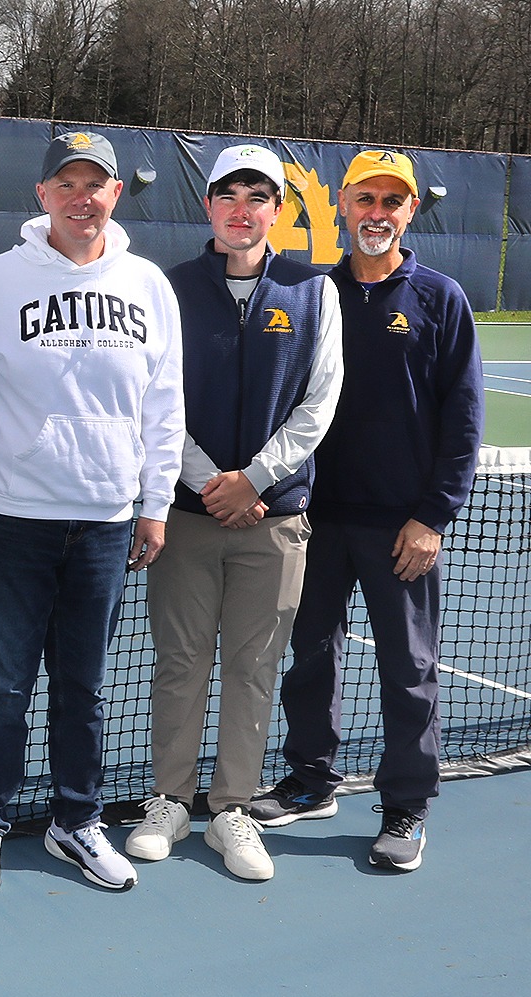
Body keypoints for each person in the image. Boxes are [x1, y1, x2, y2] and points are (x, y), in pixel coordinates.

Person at [0, 130, 185, 896]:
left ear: (117, 195)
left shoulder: (148, 285)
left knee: (84, 684)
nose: (83, 198)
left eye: (97, 185)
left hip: (108, 522)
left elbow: (164, 403)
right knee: (5, 683)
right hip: (9, 516)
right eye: (67, 184)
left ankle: (77, 821)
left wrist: (155, 503)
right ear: (41, 195)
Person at [250, 149, 484, 873]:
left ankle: (406, 804)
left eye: (392, 201)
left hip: (401, 527)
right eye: (364, 200)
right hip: (315, 519)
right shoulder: (312, 293)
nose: (376, 214)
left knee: (407, 670)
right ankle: (312, 779)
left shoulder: (441, 299)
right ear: (343, 207)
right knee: (310, 655)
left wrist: (433, 517)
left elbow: (464, 419)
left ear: (410, 211)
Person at [125, 144, 342, 883]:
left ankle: (232, 809)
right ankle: (169, 801)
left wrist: (252, 481)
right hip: (187, 518)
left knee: (253, 668)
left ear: (277, 212)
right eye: (229, 195)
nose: (242, 209)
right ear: (210, 206)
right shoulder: (169, 288)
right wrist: (209, 481)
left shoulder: (315, 292)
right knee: (181, 663)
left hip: (275, 522)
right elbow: (157, 398)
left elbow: (319, 406)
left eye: (259, 197)